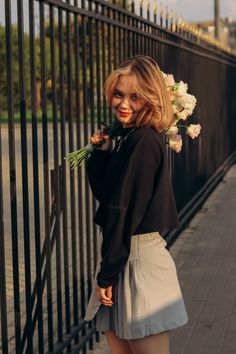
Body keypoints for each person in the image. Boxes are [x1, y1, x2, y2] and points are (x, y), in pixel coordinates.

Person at [84, 55, 188, 354]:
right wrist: (102, 153)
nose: (123, 104)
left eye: (135, 96)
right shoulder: (131, 138)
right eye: (118, 94)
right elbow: (111, 197)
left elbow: (123, 212)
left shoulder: (144, 141)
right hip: (123, 257)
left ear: (152, 97)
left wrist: (107, 273)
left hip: (137, 261)